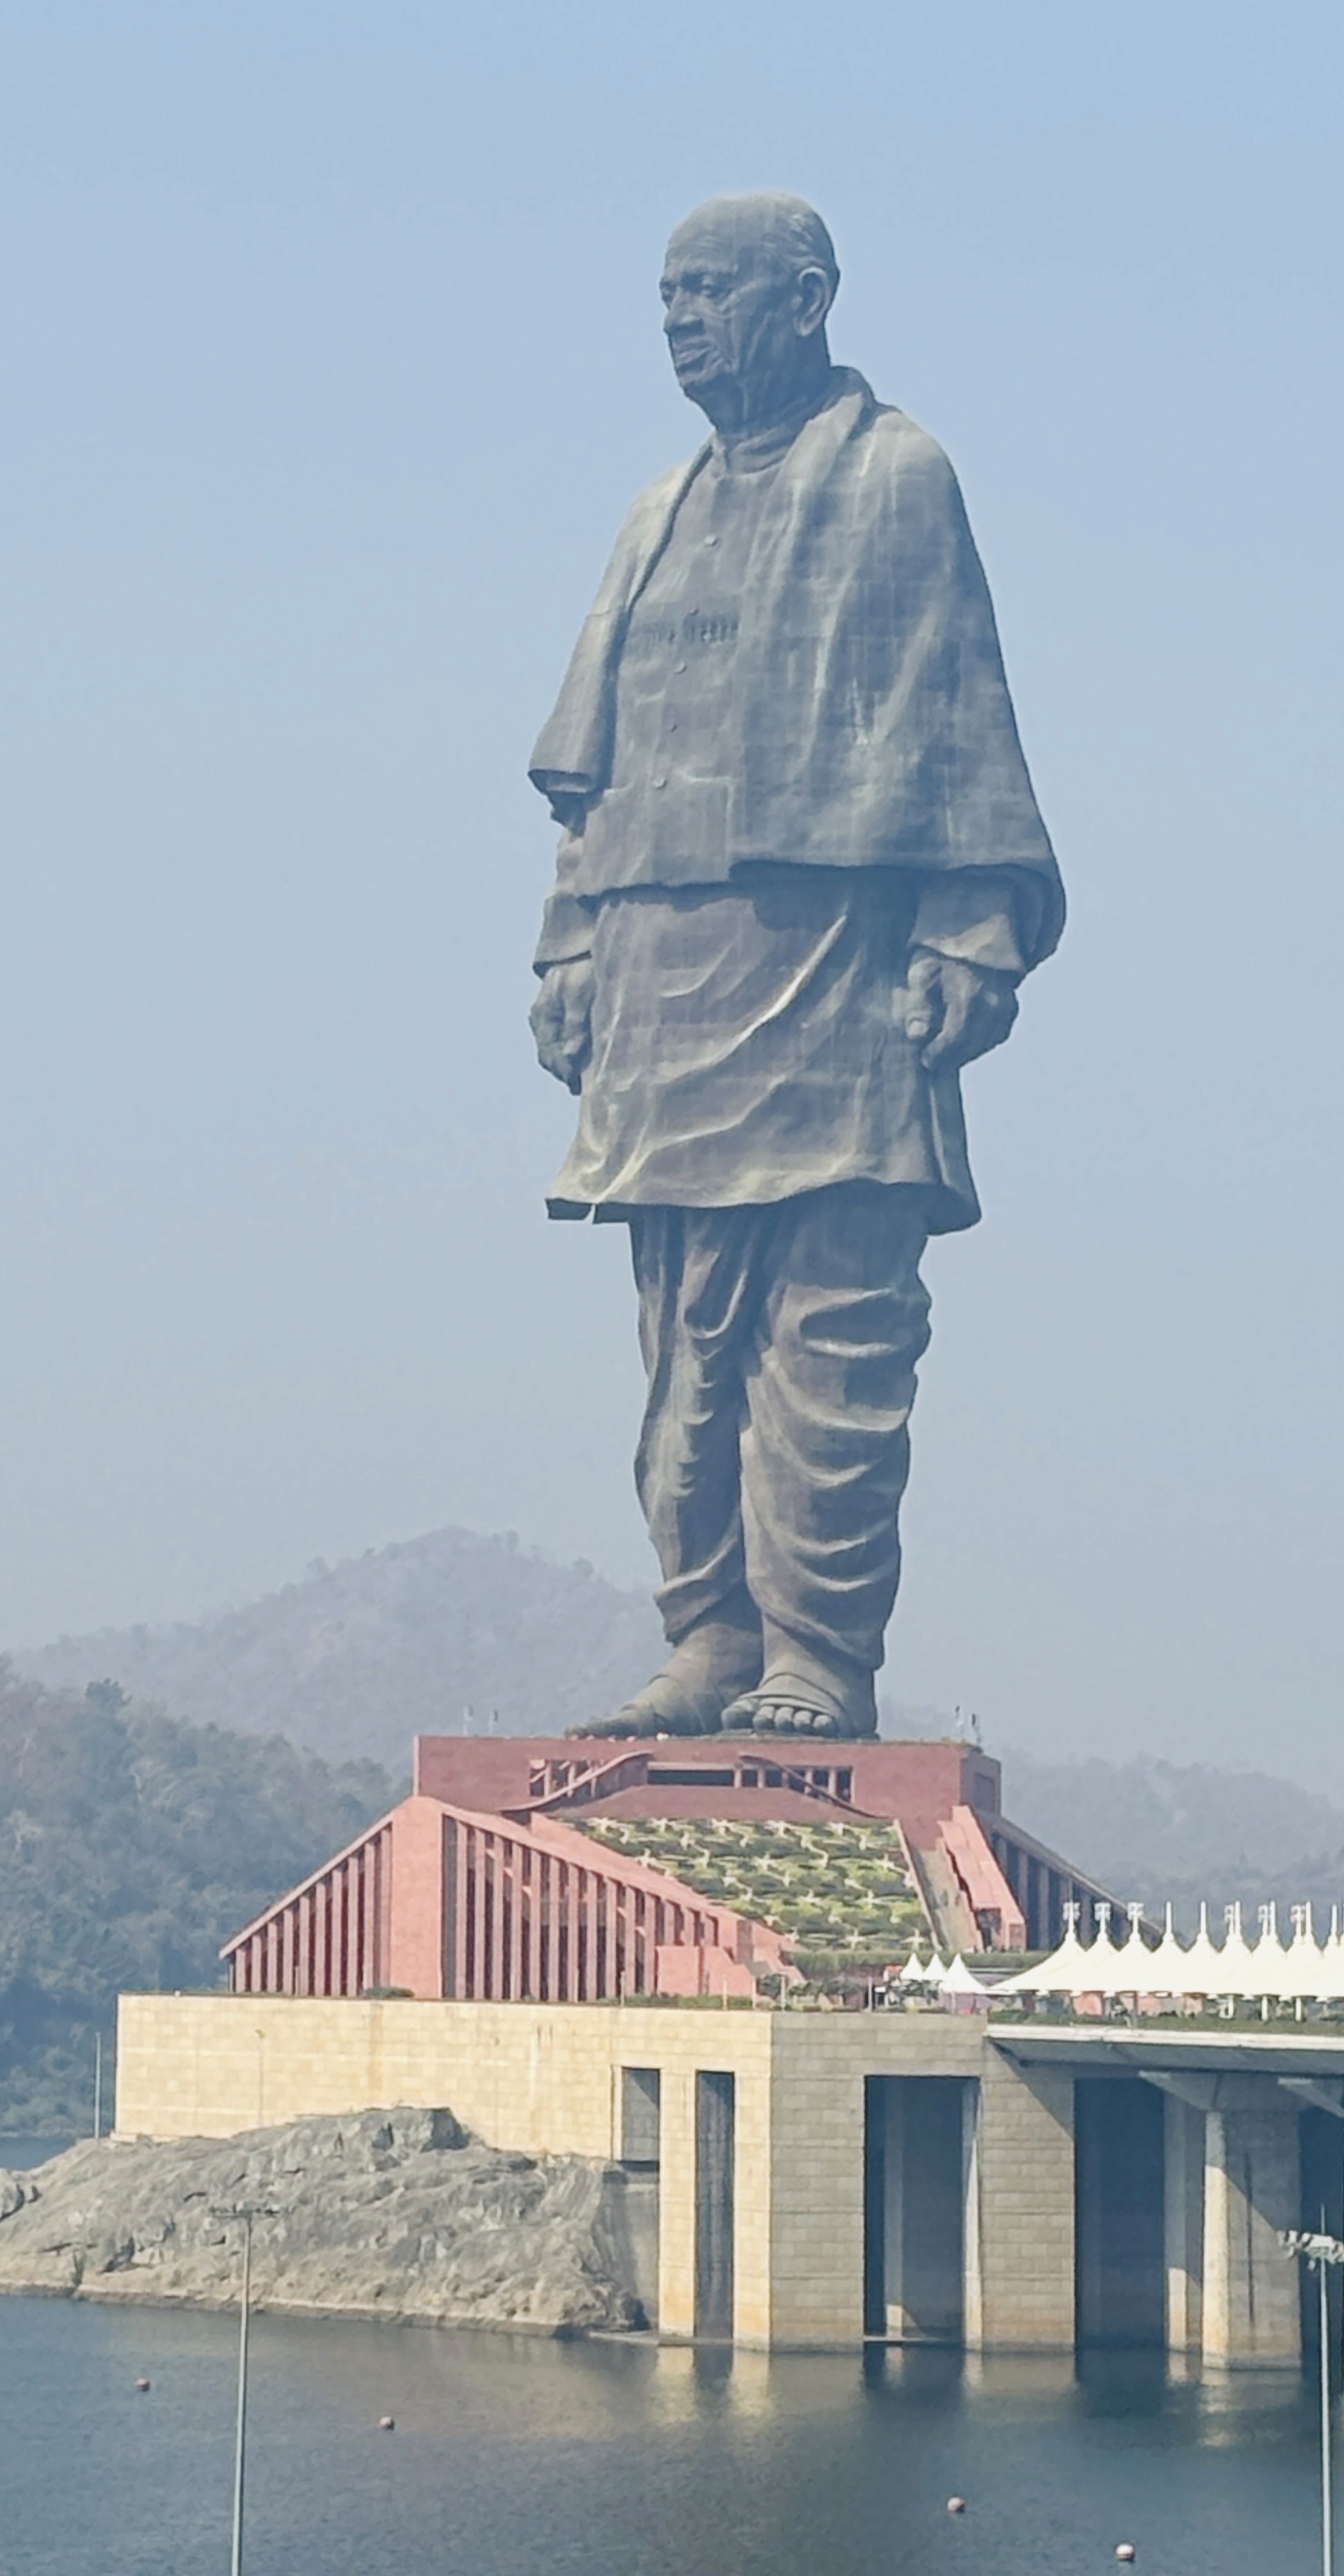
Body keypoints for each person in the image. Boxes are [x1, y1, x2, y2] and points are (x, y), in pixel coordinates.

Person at [528, 192, 1062, 1741]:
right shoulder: (656, 509)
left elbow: (954, 706)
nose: (682, 318)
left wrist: (970, 923)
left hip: (832, 965)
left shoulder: (897, 476)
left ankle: (818, 1655)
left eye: (713, 291)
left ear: (810, 297)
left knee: (833, 1323)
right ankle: (707, 1635)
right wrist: (568, 942)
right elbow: (593, 772)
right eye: (668, 293)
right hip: (659, 962)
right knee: (681, 1333)